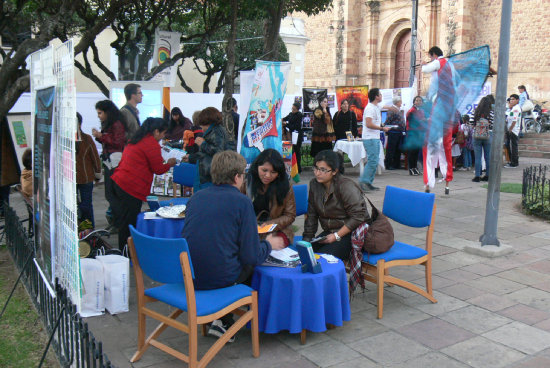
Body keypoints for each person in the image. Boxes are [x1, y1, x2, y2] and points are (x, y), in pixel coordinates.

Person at [182, 150, 285, 338]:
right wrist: (268, 244)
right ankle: (234, 317)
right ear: (237, 176)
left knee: (226, 253)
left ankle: (222, 319)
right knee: (256, 265)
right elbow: (251, 256)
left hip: (189, 275)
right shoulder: (241, 202)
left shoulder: (196, 197)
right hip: (219, 278)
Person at [110, 118, 177, 250]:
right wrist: (170, 163)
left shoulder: (137, 139)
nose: (163, 136)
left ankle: (125, 250)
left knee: (124, 220)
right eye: (163, 133)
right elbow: (158, 169)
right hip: (131, 187)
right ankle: (127, 252)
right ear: (156, 131)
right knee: (129, 222)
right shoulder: (151, 144)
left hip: (120, 181)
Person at [303, 150, 370, 261]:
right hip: (330, 232)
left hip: (352, 233)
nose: (317, 173)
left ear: (334, 171)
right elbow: (312, 215)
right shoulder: (315, 185)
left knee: (322, 260)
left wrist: (336, 236)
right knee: (305, 255)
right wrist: (306, 240)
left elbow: (358, 216)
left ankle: (334, 277)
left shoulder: (346, 186)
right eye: (316, 168)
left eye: (323, 170)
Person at [243, 149, 296, 246]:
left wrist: (270, 224)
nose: (267, 175)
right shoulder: (246, 183)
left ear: (279, 173)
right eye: (264, 170)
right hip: (250, 228)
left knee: (273, 245)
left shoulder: (286, 186)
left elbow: (290, 215)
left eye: (273, 172)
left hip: (277, 229)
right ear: (257, 167)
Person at [92, 100, 127, 227]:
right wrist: (100, 136)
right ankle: (116, 221)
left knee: (113, 194)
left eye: (100, 113)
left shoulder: (116, 124)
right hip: (110, 161)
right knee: (110, 194)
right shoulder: (111, 123)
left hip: (115, 162)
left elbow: (117, 142)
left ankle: (118, 222)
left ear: (107, 112)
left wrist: (100, 135)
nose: (98, 116)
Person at [188, 107, 235, 191]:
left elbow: (218, 151)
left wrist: (202, 144)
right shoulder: (218, 130)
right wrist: (190, 157)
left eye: (201, 123)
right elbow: (206, 154)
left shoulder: (216, 131)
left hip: (209, 177)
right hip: (209, 175)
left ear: (206, 121)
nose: (200, 126)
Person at [360, 88, 389, 191]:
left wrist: (394, 107)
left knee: (374, 161)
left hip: (374, 137)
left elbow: (385, 107)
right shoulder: (370, 108)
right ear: (376, 96)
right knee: (372, 161)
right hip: (370, 138)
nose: (381, 96)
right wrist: (382, 128)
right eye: (380, 94)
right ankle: (364, 183)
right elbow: (369, 124)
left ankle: (368, 183)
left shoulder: (376, 106)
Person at [76, 112, 101, 228]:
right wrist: (97, 174)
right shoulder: (86, 139)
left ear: (80, 124)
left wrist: (97, 174)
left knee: (83, 206)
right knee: (84, 206)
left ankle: (87, 229)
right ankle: (87, 229)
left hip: (83, 178)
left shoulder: (87, 139)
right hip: (82, 177)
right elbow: (95, 157)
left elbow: (95, 157)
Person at [472, 95, 494, 181]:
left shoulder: (475, 112)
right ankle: (487, 175)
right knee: (487, 157)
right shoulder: (491, 113)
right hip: (488, 136)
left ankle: (477, 175)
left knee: (477, 157)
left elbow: (471, 123)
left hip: (477, 136)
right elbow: (492, 125)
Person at [383, 96, 406, 170]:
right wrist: (387, 128)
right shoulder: (392, 110)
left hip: (399, 132)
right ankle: (388, 164)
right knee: (391, 149)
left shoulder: (398, 109)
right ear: (397, 102)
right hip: (393, 132)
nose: (401, 103)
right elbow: (388, 120)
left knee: (397, 149)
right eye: (400, 102)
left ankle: (396, 164)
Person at [405, 96, 425, 176]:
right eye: (417, 100)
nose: (418, 102)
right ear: (414, 102)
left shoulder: (421, 111)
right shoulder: (411, 111)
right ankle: (411, 168)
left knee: (416, 151)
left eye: (420, 100)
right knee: (412, 151)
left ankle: (415, 167)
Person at [282, 102, 304, 173]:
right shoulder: (291, 114)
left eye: (294, 108)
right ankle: (292, 167)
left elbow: (296, 125)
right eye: (292, 108)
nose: (292, 109)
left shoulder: (299, 115)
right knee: (291, 151)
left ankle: (298, 168)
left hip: (297, 135)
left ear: (297, 109)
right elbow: (285, 118)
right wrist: (281, 120)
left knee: (297, 151)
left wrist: (287, 124)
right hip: (291, 135)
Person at [505, 94, 521, 168]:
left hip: (513, 130)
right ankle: (512, 161)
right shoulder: (513, 108)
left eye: (513, 99)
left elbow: (514, 120)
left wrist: (510, 129)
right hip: (512, 129)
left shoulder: (516, 109)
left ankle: (514, 163)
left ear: (517, 100)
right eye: (511, 99)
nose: (511, 101)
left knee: (513, 147)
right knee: (512, 146)